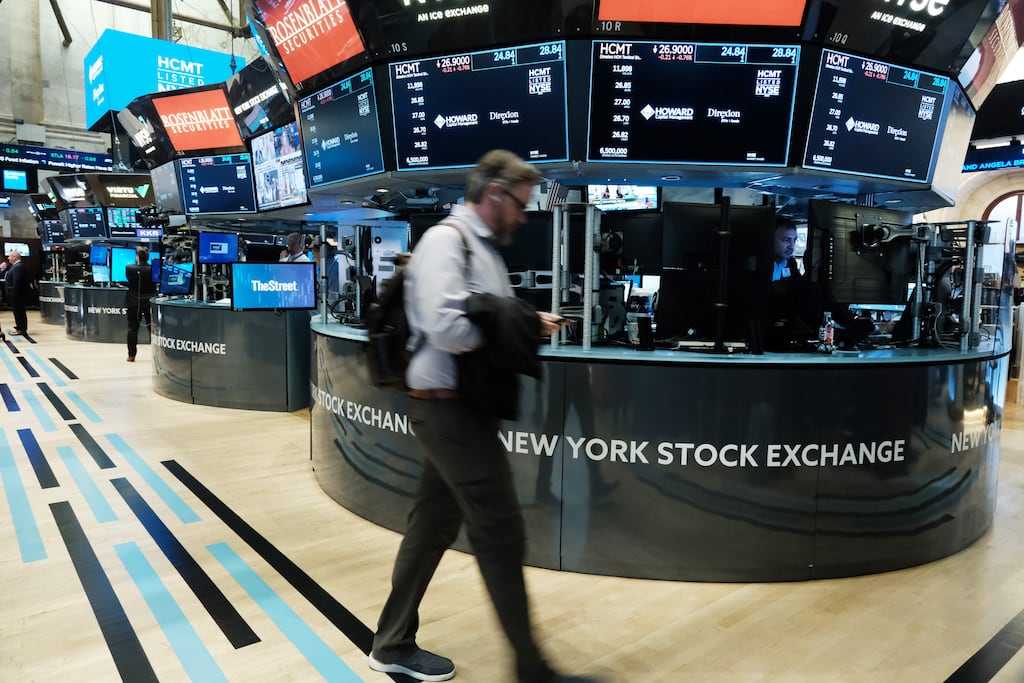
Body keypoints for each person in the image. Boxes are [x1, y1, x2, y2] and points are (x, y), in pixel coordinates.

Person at [368, 150, 598, 683]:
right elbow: (447, 327)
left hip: (459, 410)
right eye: (519, 204)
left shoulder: (481, 250)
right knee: (500, 531)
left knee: (431, 527)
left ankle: (392, 643)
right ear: (494, 194)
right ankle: (533, 670)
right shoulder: (447, 242)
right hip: (450, 414)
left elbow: (489, 315)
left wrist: (525, 319)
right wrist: (507, 321)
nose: (522, 215)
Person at [124, 246, 155, 362]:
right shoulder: (152, 269)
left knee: (132, 329)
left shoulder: (129, 268)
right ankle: (156, 354)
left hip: (133, 302)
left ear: (137, 257)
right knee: (152, 329)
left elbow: (129, 281)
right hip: (149, 302)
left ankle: (131, 356)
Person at [5, 248, 29, 336]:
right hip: (16, 295)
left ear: (15, 257)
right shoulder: (16, 267)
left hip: (17, 295)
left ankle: (21, 329)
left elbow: (17, 282)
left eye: (10, 256)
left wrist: (13, 294)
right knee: (18, 312)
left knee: (19, 312)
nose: (8, 258)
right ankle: (20, 327)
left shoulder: (18, 267)